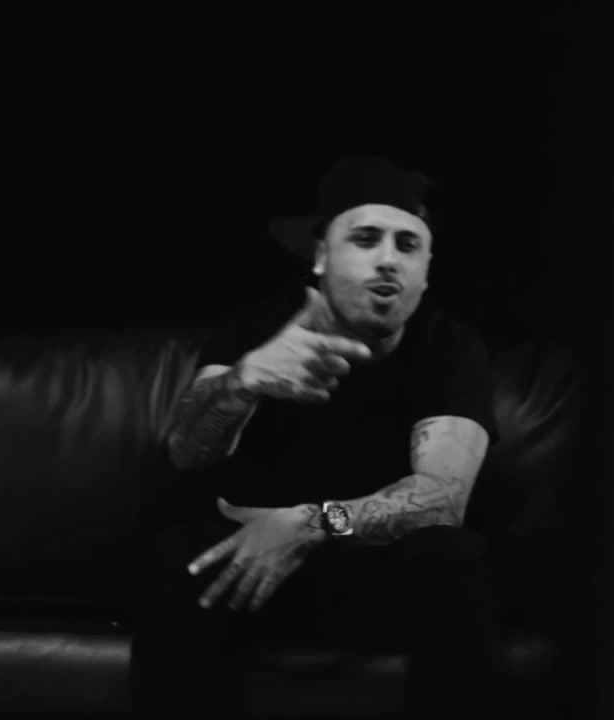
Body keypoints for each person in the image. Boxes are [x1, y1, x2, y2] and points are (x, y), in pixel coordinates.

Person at [130, 156, 503, 719]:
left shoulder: (449, 349)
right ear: (322, 255)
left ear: (426, 272)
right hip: (250, 571)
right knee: (181, 555)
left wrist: (311, 523)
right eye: (366, 239)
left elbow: (443, 498)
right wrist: (241, 383)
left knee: (454, 557)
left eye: (408, 245)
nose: (388, 259)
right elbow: (186, 452)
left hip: (375, 574)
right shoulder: (257, 332)